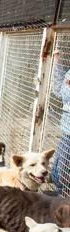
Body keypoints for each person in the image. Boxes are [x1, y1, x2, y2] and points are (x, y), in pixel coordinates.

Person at [51, 50, 70, 197]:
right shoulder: (68, 73)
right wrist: (57, 63)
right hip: (66, 130)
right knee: (57, 170)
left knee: (61, 171)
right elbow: (59, 90)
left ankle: (61, 199)